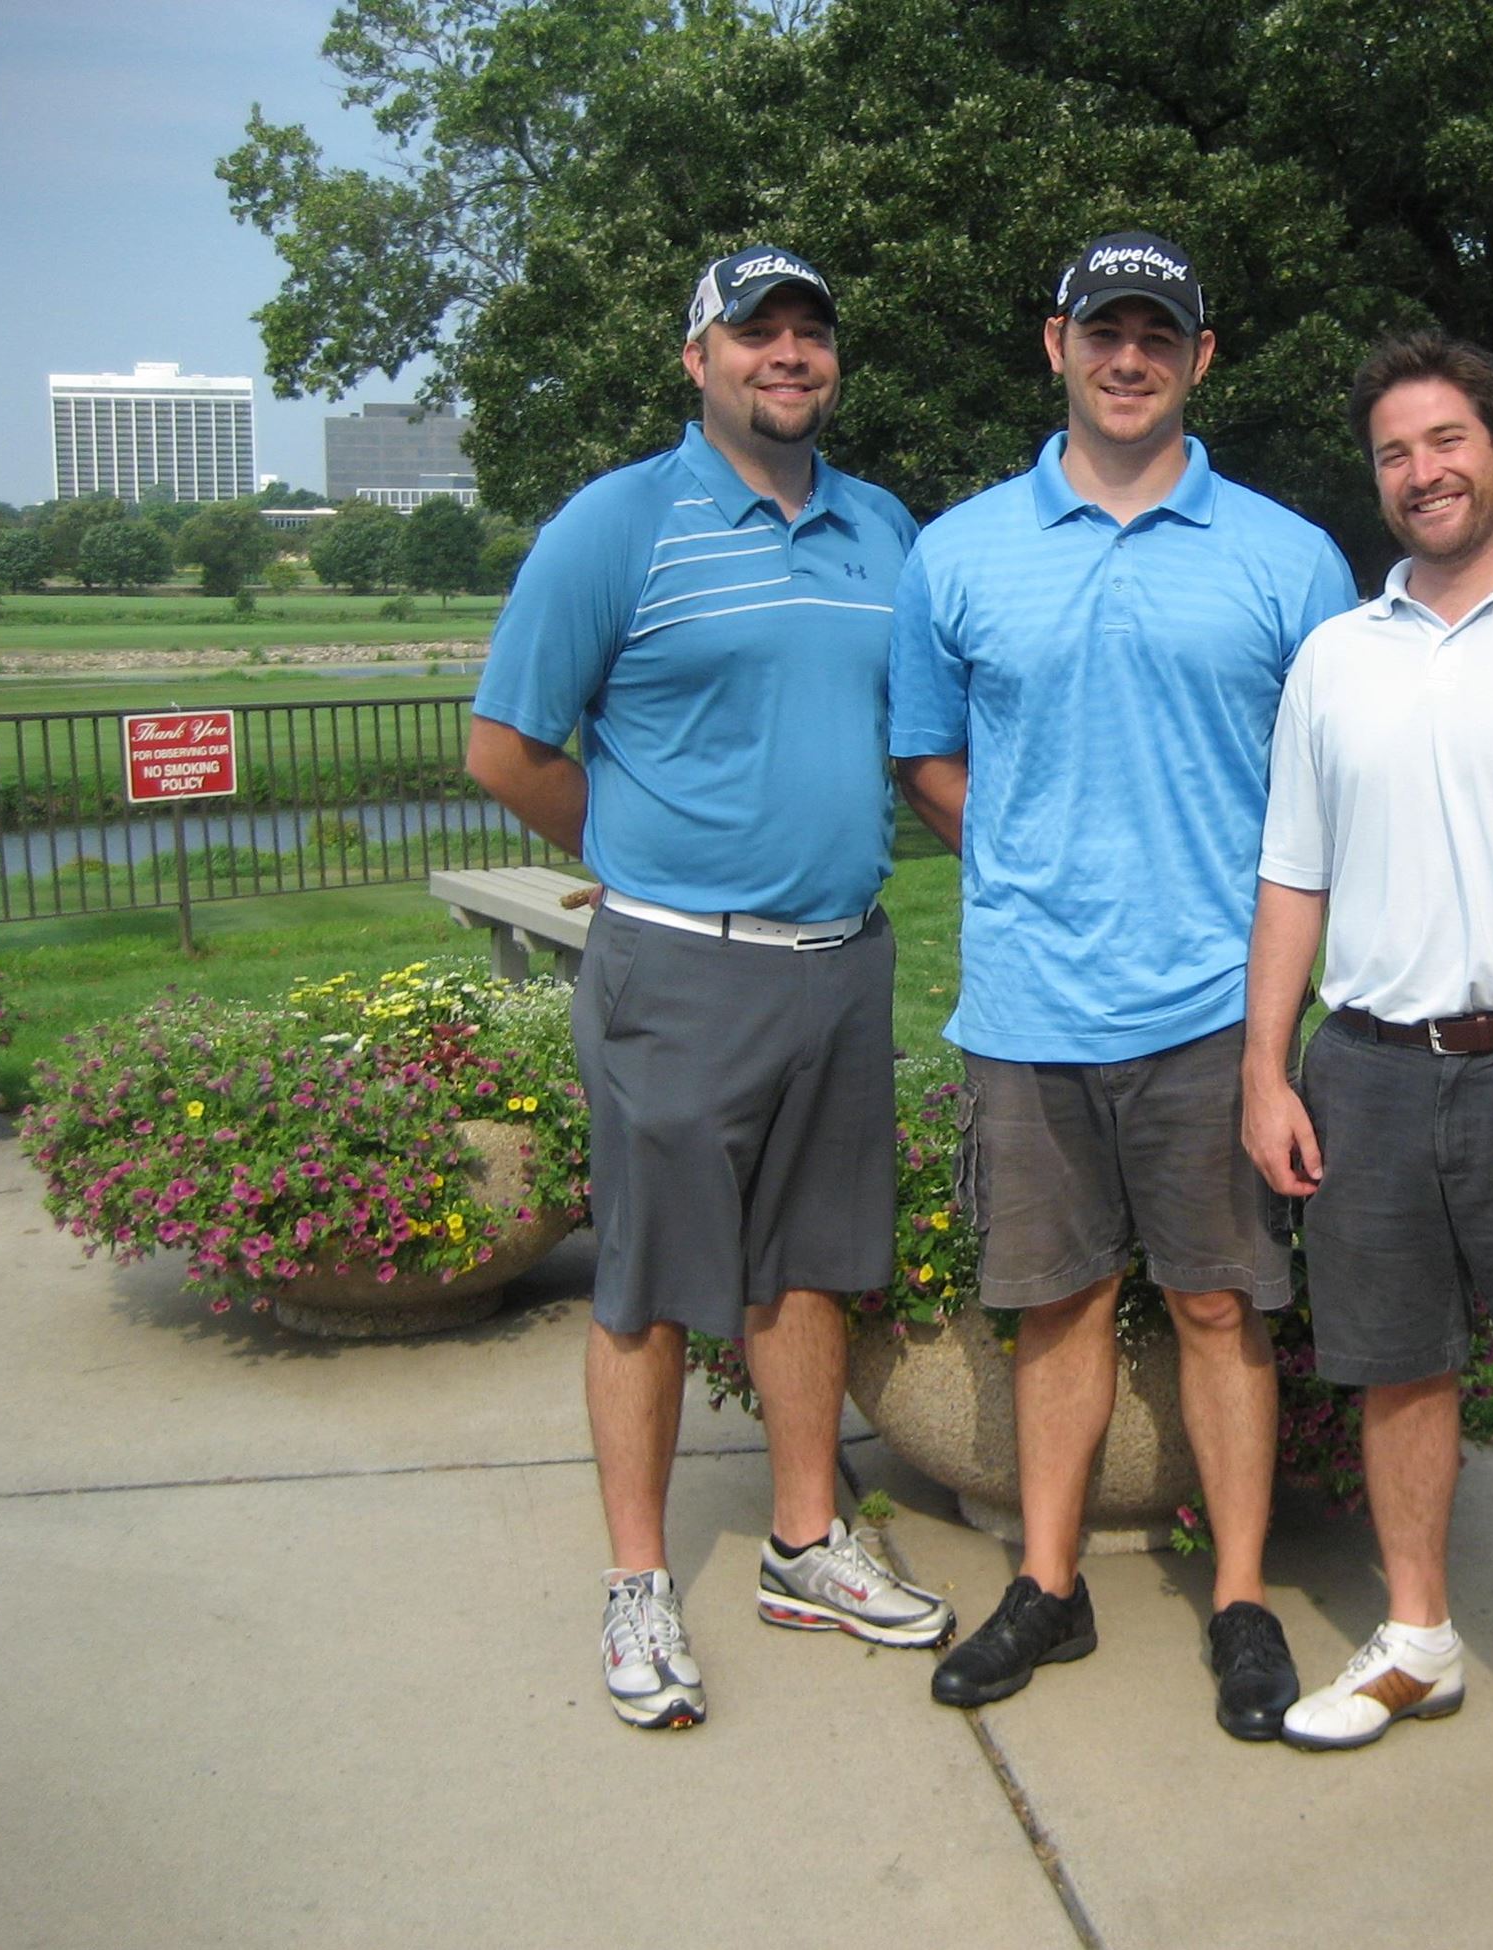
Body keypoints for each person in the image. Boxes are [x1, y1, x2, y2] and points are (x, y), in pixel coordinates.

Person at [468, 245, 953, 1732]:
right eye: (757, 334)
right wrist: (637, 864)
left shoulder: (886, 530)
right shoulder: (619, 524)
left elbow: (920, 732)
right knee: (649, 1284)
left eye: (811, 330)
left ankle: (805, 1538)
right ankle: (636, 1580)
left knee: (808, 1260)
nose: (787, 355)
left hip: (838, 962)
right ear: (700, 358)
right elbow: (508, 748)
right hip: (674, 967)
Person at [889, 230, 1358, 1737]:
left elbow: (1326, 785)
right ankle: (1050, 1586)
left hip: (1223, 1011)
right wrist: (1028, 856)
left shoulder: (1290, 557)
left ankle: (1239, 1600)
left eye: (1160, 332)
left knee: (1224, 1307)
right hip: (1031, 1007)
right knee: (1057, 1304)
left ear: (1201, 357)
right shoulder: (956, 551)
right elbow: (926, 753)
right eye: (1105, 329)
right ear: (1057, 344)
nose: (1130, 355)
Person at [1241, 331, 1493, 1816]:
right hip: (1373, 1069)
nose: (1424, 471)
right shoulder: (1335, 656)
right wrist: (1264, 1071)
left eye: (1448, 441)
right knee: (1396, 1363)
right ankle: (1419, 1636)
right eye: (1396, 453)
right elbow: (1294, 875)